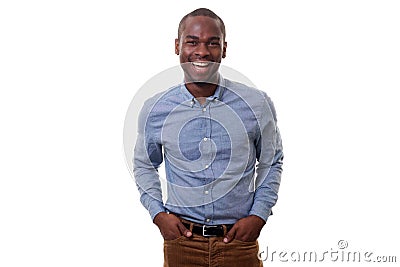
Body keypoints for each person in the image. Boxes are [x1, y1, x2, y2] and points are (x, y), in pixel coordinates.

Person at [133, 8, 283, 267]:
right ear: (178, 46)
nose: (202, 51)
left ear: (224, 49)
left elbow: (272, 162)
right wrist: (158, 214)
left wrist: (258, 216)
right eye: (192, 42)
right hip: (182, 243)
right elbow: (145, 164)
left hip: (238, 242)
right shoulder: (155, 109)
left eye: (212, 43)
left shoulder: (256, 104)